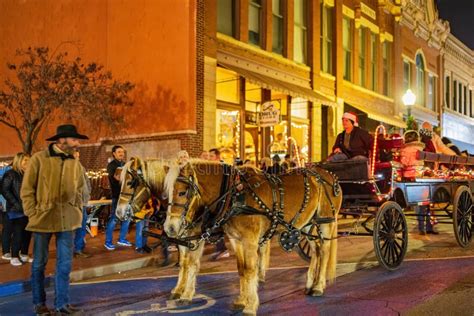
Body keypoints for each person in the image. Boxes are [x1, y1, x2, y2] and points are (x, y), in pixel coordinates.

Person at [21, 124, 87, 315]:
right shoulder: (39, 159)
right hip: (42, 219)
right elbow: (27, 190)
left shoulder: (75, 162)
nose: (77, 143)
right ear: (61, 140)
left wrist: (77, 207)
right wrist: (33, 213)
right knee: (39, 263)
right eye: (74, 140)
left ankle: (62, 305)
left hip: (68, 220)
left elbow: (81, 188)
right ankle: (39, 303)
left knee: (65, 265)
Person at [1, 153, 32, 266]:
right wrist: (15, 203)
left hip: (28, 208)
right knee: (18, 233)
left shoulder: (29, 174)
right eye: (25, 160)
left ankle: (24, 254)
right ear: (18, 161)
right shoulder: (10, 174)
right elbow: (5, 190)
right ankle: (14, 256)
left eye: (29, 160)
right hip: (15, 209)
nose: (27, 163)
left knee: (27, 233)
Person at [104, 145, 132, 250]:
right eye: (119, 152)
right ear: (114, 154)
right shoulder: (112, 165)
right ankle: (108, 242)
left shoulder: (125, 164)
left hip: (127, 195)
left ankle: (122, 239)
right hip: (117, 196)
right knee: (115, 218)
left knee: (127, 217)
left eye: (123, 152)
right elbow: (117, 178)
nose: (121, 153)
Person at [208, 148, 230, 261]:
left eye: (211, 156)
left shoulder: (223, 167)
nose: (209, 158)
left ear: (217, 157)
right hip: (214, 202)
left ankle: (222, 249)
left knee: (215, 224)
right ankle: (221, 249)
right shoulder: (210, 169)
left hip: (223, 201)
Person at [73, 150, 92, 258]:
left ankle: (79, 248)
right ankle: (76, 249)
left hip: (83, 202)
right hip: (75, 203)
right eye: (75, 155)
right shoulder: (68, 168)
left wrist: (88, 193)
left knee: (82, 226)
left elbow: (87, 181)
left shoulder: (80, 167)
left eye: (78, 156)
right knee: (76, 227)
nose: (77, 157)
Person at [1, 163, 13, 261]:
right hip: (5, 205)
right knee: (8, 228)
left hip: (10, 205)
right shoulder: (5, 171)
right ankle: (6, 251)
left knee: (16, 229)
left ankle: (11, 251)